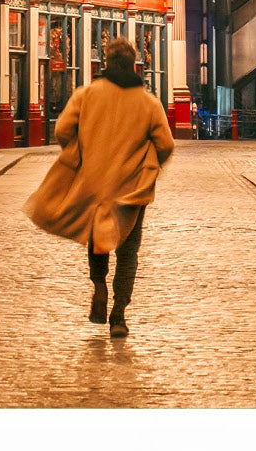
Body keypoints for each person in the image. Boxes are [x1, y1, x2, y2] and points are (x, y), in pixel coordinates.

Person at [24, 34, 175, 338]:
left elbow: (63, 130)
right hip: (132, 188)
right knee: (129, 251)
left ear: (106, 62)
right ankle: (119, 315)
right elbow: (166, 144)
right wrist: (149, 165)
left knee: (98, 240)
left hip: (94, 183)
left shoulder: (86, 94)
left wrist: (81, 155)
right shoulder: (148, 102)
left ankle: (98, 287)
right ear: (135, 65)